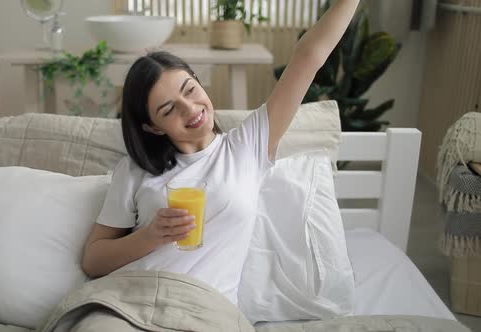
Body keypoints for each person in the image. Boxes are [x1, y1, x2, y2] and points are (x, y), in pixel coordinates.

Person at [82, 0, 361, 305]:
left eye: (189, 90)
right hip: (126, 304)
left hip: (205, 312)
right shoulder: (135, 171)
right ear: (152, 127)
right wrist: (151, 236)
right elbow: (93, 260)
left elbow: (309, 57)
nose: (191, 109)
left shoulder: (247, 147)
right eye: (168, 109)